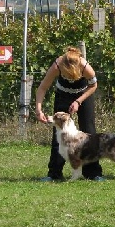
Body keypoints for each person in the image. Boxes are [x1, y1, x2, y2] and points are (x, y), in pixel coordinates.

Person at [35, 46, 103, 181]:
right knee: (59, 135)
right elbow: (42, 87)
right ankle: (54, 174)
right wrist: (38, 109)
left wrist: (78, 101)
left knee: (89, 133)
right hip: (63, 95)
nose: (70, 79)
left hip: (84, 95)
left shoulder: (85, 67)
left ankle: (93, 173)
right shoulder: (57, 65)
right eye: (67, 76)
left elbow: (93, 86)